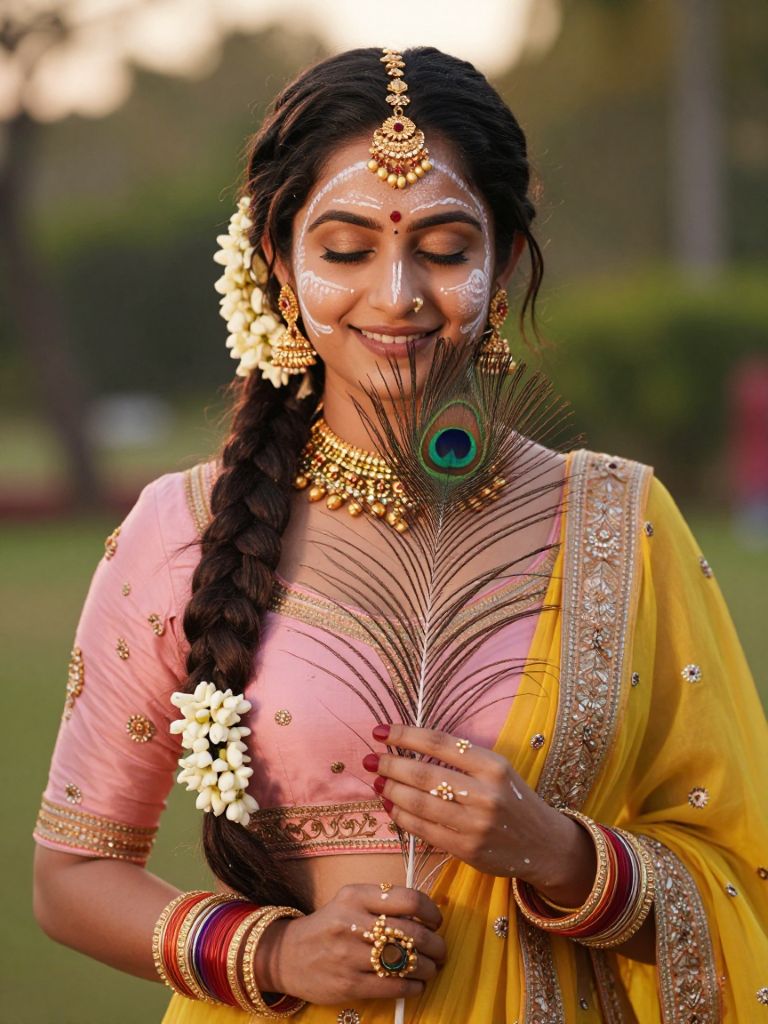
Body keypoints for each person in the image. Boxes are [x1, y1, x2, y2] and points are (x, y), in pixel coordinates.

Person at [32, 46, 768, 1023]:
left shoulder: (621, 523)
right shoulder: (184, 530)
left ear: (503, 264)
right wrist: (277, 950)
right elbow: (73, 873)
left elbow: (743, 869)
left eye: (444, 246)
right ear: (281, 270)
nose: (398, 296)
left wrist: (560, 854)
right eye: (345, 250)